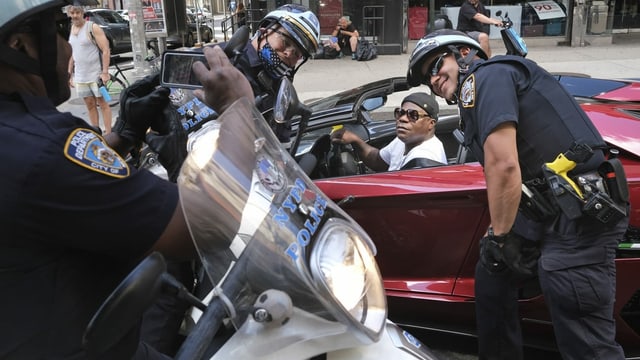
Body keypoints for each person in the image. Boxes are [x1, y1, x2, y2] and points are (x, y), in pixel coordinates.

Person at [0, 0, 253, 359]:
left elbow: (57, 192)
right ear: (19, 45)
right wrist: (237, 108)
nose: (67, 46)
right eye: (58, 30)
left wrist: (124, 134)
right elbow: (208, 225)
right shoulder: (42, 148)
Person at [406, 29, 629, 359]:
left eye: (437, 65)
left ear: (464, 54)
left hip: (578, 218)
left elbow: (504, 165)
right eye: (428, 78)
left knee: (583, 335)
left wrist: (499, 236)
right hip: (548, 210)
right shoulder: (482, 89)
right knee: (492, 274)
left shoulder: (488, 76)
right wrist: (496, 242)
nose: (434, 79)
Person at [224, 4, 319, 146]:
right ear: (265, 29)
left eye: (297, 54)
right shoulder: (222, 58)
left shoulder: (280, 87)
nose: (289, 53)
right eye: (286, 42)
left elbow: (282, 141)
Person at [331, 92, 447, 171]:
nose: (403, 119)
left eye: (413, 115)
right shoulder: (404, 140)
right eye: (400, 112)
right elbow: (377, 159)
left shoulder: (424, 160)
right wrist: (355, 140)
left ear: (430, 124)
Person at [67, 4, 113, 133]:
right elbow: (72, 53)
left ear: (82, 13)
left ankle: (109, 133)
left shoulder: (92, 27)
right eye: (72, 13)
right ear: (69, 14)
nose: (75, 15)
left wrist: (105, 72)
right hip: (81, 76)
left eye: (77, 12)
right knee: (90, 105)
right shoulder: (70, 29)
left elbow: (105, 50)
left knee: (103, 103)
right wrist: (69, 74)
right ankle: (96, 132)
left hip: (96, 74)